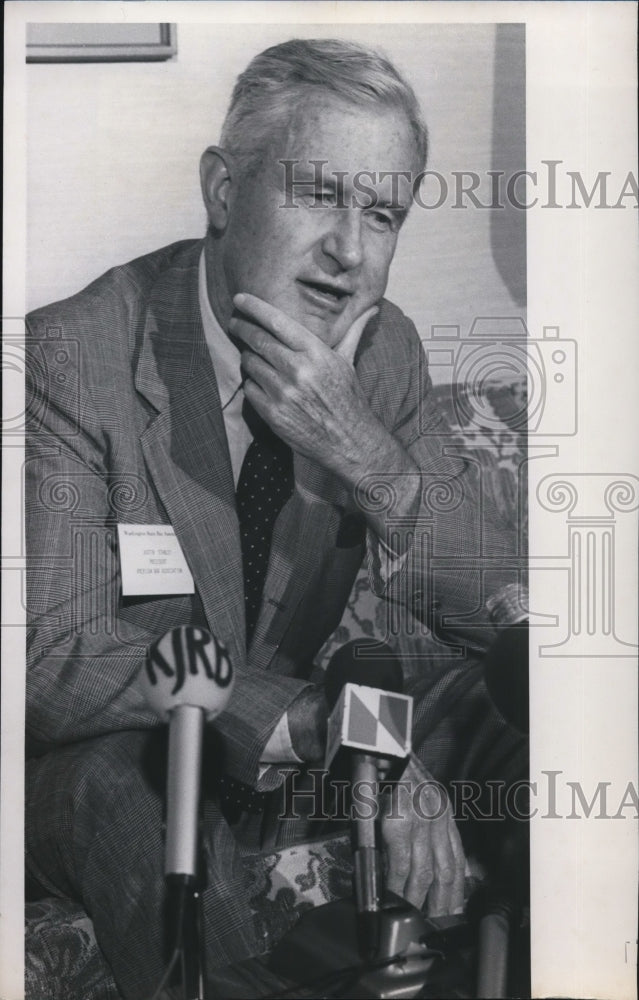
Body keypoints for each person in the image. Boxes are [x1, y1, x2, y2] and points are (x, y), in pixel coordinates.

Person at [25, 38, 526, 999]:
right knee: (132, 782)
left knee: (541, 719)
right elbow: (53, 657)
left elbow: (509, 610)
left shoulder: (380, 355)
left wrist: (370, 458)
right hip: (120, 757)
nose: (347, 251)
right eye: (316, 194)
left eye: (380, 213)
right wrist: (339, 730)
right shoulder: (72, 356)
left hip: (312, 736)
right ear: (223, 190)